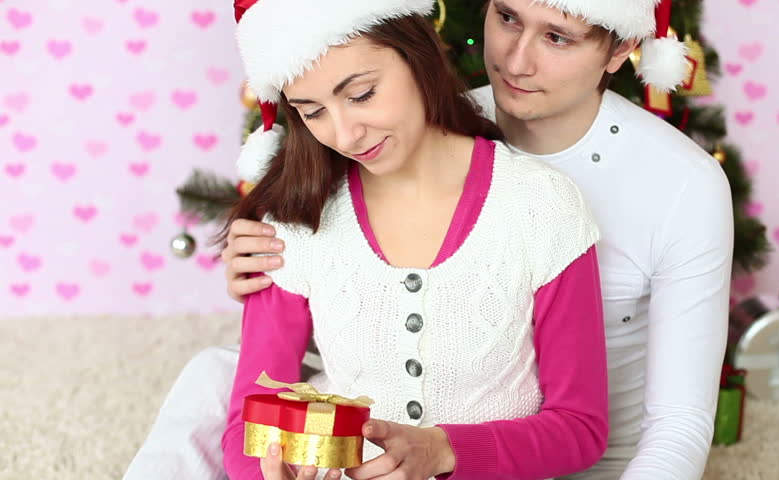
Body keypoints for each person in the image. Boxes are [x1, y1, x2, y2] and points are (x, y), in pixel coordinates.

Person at [126, 0, 735, 478]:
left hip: (571, 457)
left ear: (620, 49)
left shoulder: (660, 188)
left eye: (557, 36)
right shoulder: (361, 162)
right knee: (212, 375)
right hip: (360, 427)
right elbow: (251, 424)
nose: (516, 62)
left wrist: (443, 452)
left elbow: (658, 425)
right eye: (506, 18)